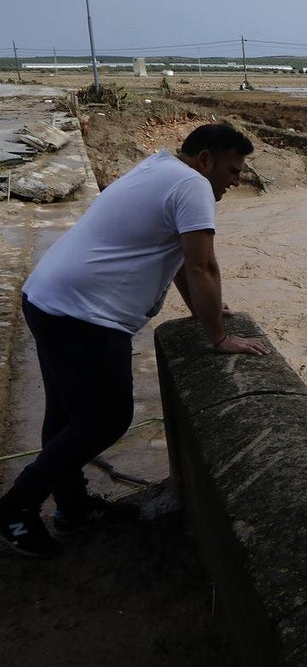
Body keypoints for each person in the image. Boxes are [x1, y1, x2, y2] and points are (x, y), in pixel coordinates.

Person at [0, 123, 269, 558]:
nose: (237, 181)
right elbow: (203, 268)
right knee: (104, 420)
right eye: (234, 170)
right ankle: (15, 507)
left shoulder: (159, 167)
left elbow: (180, 261)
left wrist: (208, 310)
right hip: (84, 315)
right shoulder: (193, 186)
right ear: (206, 159)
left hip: (48, 297)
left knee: (67, 416)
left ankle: (72, 509)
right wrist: (218, 339)